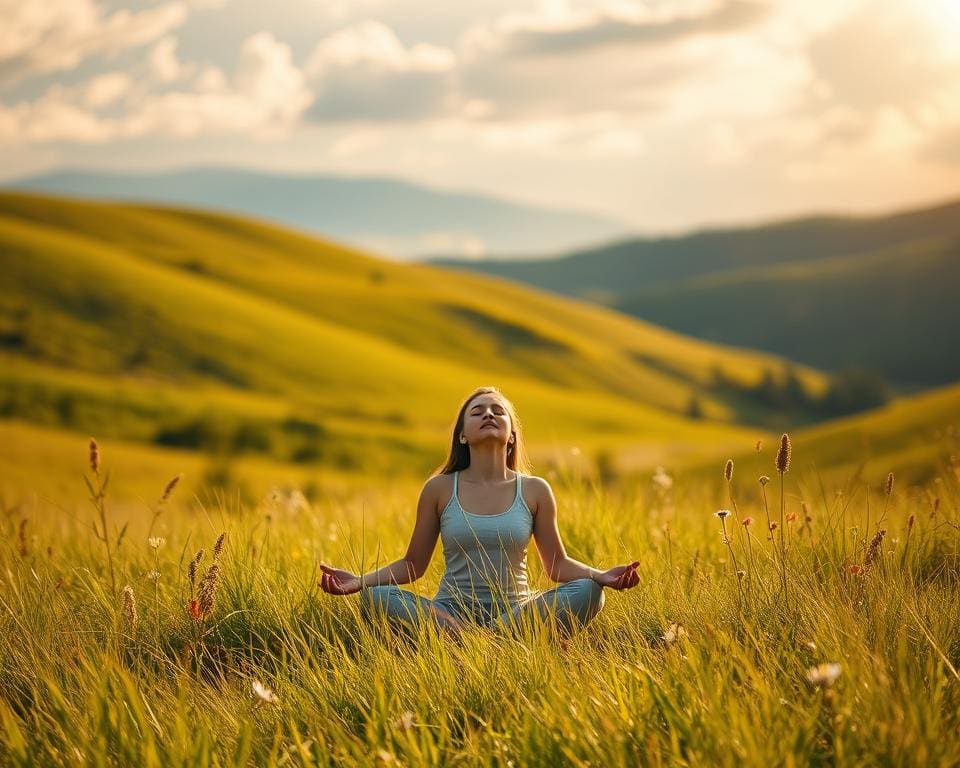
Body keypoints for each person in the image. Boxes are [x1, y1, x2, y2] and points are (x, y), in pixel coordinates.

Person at [318, 386, 640, 641]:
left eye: (498, 411)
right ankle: (497, 643)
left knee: (589, 594)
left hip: (518, 612)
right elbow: (412, 565)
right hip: (449, 615)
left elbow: (557, 566)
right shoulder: (440, 489)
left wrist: (601, 576)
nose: (488, 414)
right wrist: (359, 582)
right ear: (462, 434)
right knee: (376, 598)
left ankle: (476, 644)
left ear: (511, 434)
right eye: (478, 411)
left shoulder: (534, 490)